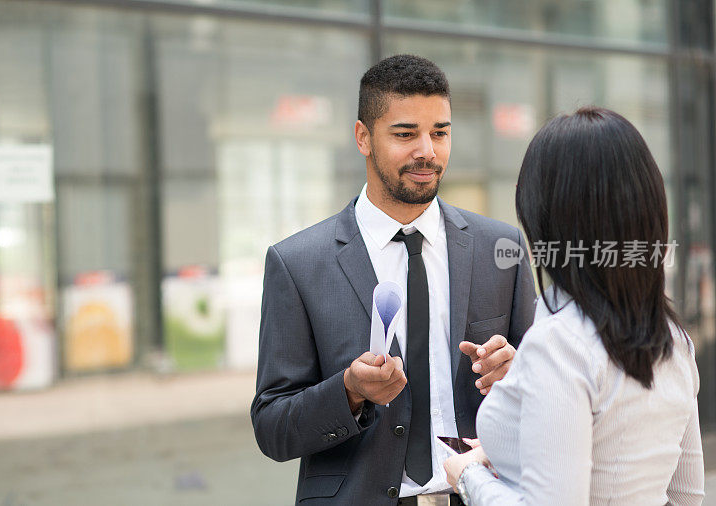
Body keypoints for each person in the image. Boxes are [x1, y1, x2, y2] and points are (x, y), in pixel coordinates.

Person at [250, 54, 536, 505]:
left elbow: (548, 396)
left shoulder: (500, 249)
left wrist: (518, 371)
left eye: (440, 132)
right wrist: (348, 392)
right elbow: (272, 428)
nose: (427, 150)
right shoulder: (298, 264)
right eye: (406, 134)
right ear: (363, 137)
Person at [443, 107, 705, 505]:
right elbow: (687, 496)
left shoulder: (560, 343)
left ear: (548, 217)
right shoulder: (673, 339)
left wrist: (470, 476)